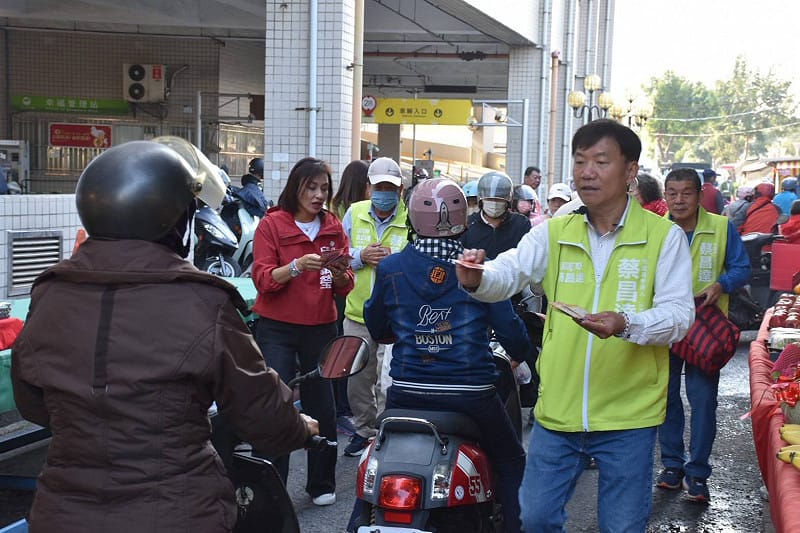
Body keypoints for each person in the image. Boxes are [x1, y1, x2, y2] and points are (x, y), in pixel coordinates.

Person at [11, 140, 317, 533]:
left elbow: (33, 404)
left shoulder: (50, 292)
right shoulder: (202, 299)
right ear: (177, 220)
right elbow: (260, 413)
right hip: (177, 511)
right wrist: (300, 427)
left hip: (62, 513)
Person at [455, 119, 694, 532]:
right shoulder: (555, 232)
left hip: (628, 415)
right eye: (580, 161)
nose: (587, 171)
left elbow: (678, 315)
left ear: (630, 170)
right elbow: (510, 270)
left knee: (622, 526)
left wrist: (627, 323)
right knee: (536, 517)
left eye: (601, 161)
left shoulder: (663, 238)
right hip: (560, 410)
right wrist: (478, 277)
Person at [362, 178, 532, 533]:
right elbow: (511, 329)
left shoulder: (391, 269)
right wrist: (525, 352)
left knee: (370, 477)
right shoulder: (477, 271)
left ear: (411, 218)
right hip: (470, 395)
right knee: (513, 461)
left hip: (406, 391)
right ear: (463, 220)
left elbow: (377, 326)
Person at [250, 156, 354, 507]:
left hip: (322, 326)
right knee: (277, 401)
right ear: (296, 187)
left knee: (322, 405)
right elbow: (263, 279)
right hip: (277, 327)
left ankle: (321, 482)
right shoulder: (272, 225)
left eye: (324, 188)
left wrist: (341, 275)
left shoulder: (333, 227)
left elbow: (345, 285)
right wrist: (293, 267)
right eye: (311, 187)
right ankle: (270, 480)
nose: (318, 195)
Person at [656, 167, 751, 503]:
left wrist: (720, 285)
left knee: (704, 403)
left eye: (686, 193)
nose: (679, 200)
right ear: (665, 195)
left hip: (705, 332)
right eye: (672, 192)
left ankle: (697, 473)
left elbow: (742, 268)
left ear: (699, 195)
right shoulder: (656, 229)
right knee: (664, 400)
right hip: (665, 327)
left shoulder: (722, 227)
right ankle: (671, 466)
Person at [340, 157, 409, 456]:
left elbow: (419, 262)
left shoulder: (412, 220)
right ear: (368, 188)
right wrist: (360, 256)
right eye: (379, 187)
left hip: (397, 316)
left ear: (401, 191)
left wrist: (395, 260)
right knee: (357, 380)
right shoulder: (353, 214)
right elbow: (337, 255)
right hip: (358, 313)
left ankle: (387, 430)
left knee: (389, 380)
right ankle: (364, 430)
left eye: (390, 188)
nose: (384, 193)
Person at [329, 159, 371, 436]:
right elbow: (341, 254)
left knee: (339, 348)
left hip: (338, 289)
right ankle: (344, 410)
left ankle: (341, 407)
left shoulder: (334, 208)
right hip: (350, 290)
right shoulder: (353, 213)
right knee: (351, 355)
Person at [461, 171, 531, 260]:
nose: (494, 203)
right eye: (490, 199)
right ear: (481, 199)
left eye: (499, 200)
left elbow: (527, 256)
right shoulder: (468, 224)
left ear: (508, 200)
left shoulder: (521, 224)